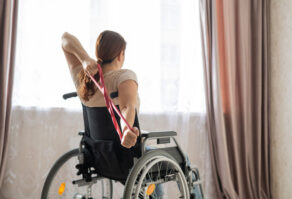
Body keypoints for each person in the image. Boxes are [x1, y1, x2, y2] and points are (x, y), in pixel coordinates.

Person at [61, 30, 202, 199]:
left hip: (102, 159)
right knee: (183, 159)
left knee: (151, 173)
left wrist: (84, 58)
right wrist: (126, 131)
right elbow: (127, 107)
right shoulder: (124, 76)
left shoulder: (84, 81)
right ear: (120, 55)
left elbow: (65, 39)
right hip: (127, 158)